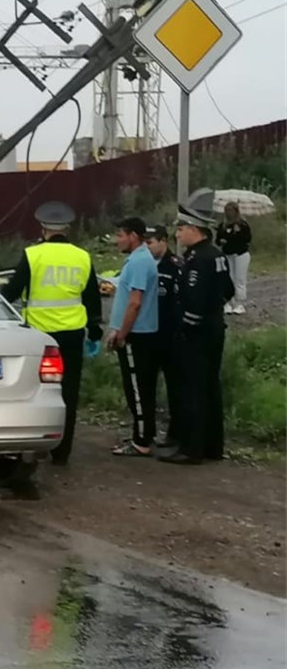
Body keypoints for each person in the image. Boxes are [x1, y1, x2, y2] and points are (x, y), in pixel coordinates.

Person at [0, 201, 104, 466]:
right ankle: (62, 452)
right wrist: (94, 330)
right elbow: (92, 297)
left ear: (43, 228)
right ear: (67, 229)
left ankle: (33, 445)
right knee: (68, 392)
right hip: (71, 334)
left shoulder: (33, 255)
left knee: (34, 391)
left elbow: (10, 293)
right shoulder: (82, 256)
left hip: (39, 337)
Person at [160, 189, 235, 466]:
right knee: (211, 388)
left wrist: (188, 327)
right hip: (215, 329)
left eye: (181, 229)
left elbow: (193, 298)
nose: (177, 235)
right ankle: (213, 446)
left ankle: (192, 449)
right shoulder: (216, 254)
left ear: (194, 229)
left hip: (197, 334)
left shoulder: (196, 259)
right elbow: (226, 290)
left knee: (193, 389)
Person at [107, 217, 160, 457]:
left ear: (134, 236)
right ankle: (144, 432)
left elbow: (135, 303)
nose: (117, 240)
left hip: (136, 336)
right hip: (136, 334)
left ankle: (141, 441)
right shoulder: (138, 259)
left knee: (137, 390)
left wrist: (122, 334)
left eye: (121, 235)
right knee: (141, 387)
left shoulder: (139, 261)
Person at [144, 224, 182, 447]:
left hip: (169, 336)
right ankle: (145, 433)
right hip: (148, 335)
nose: (147, 247)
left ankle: (174, 434)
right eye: (145, 243)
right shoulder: (143, 264)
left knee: (175, 387)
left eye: (150, 243)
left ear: (163, 241)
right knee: (146, 387)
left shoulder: (176, 266)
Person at [216, 201, 251, 315]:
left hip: (240, 254)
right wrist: (221, 241)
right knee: (229, 278)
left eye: (230, 211)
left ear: (236, 212)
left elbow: (248, 239)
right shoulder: (222, 226)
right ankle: (229, 302)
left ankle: (239, 303)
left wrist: (238, 233)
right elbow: (218, 239)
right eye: (226, 211)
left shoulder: (243, 225)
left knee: (240, 279)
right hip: (227, 254)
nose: (228, 213)